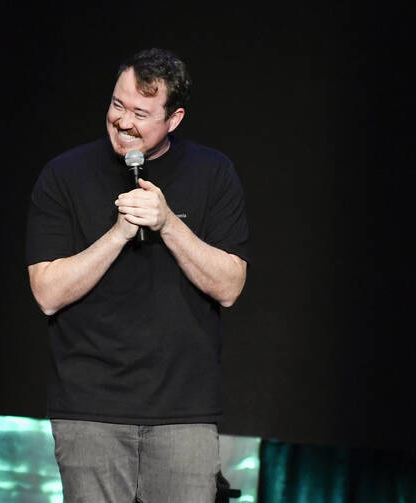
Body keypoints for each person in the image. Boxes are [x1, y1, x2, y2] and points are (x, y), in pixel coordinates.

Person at [25, 48, 249, 502]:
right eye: (117, 105)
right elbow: (47, 293)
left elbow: (229, 287)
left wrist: (168, 222)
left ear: (175, 118)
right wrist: (117, 234)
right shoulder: (64, 175)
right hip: (90, 409)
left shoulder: (213, 173)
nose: (123, 122)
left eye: (141, 113)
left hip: (183, 411)